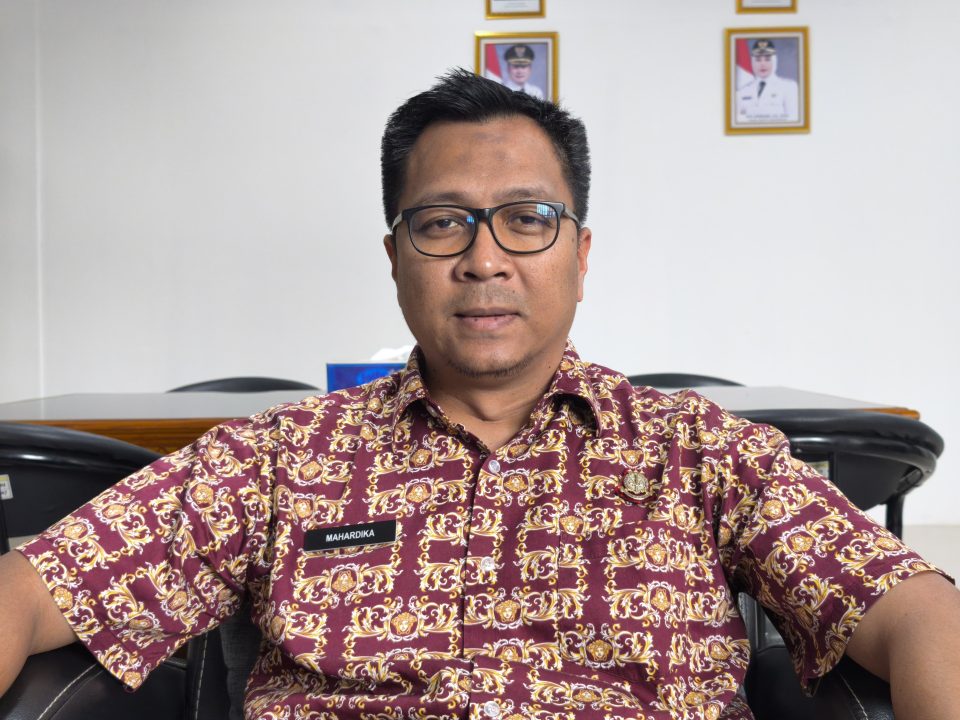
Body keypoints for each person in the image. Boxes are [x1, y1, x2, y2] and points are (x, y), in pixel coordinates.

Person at [2, 68, 960, 720]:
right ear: (395, 258)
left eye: (527, 219)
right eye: (442, 223)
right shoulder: (279, 458)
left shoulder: (700, 451)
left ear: (581, 255)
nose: (484, 258)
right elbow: (29, 593)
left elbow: (914, 612)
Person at [736, 38, 800, 123]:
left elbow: (793, 121)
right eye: (758, 60)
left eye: (767, 59)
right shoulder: (742, 91)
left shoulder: (789, 87)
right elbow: (737, 122)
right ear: (752, 62)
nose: (762, 64)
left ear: (774, 61)